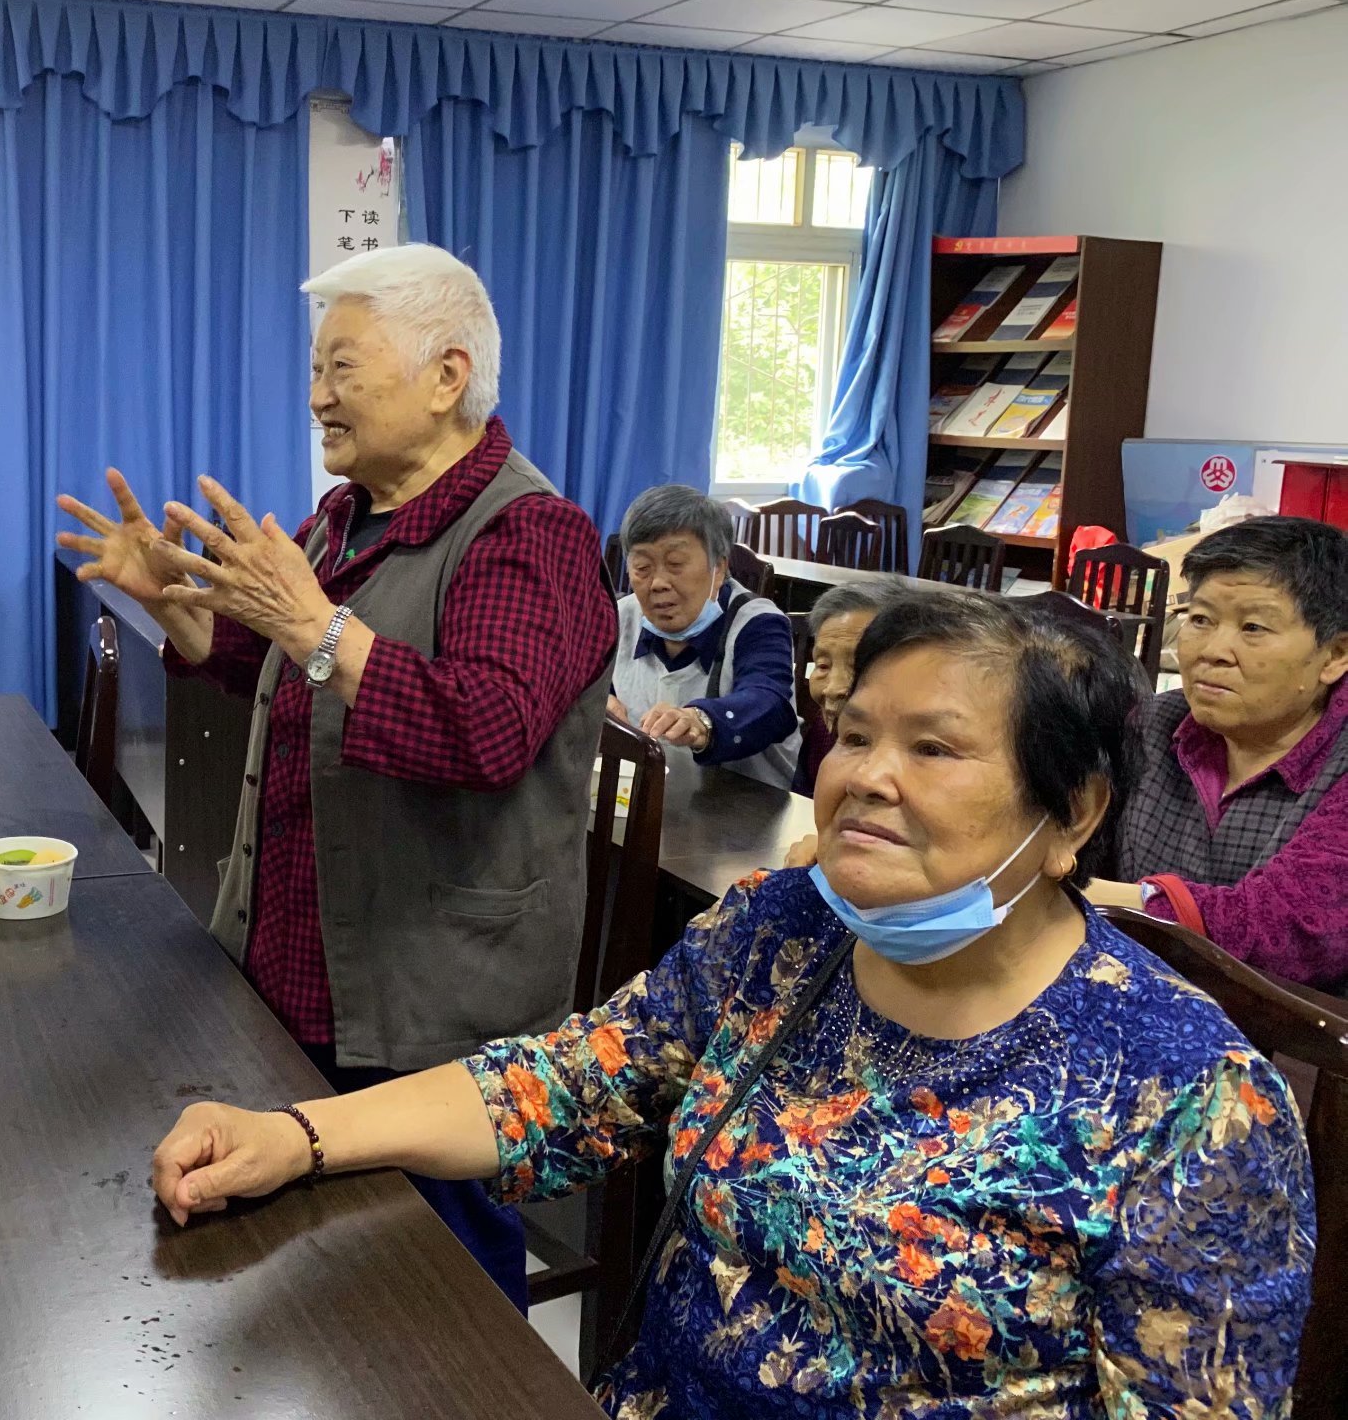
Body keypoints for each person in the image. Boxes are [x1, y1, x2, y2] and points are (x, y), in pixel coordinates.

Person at [152, 591, 1314, 1418]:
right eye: (853, 734)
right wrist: (298, 1135)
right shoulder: (782, 930)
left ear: (1071, 814)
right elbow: (569, 1081)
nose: (864, 775)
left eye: (933, 747)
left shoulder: (1191, 1100)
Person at [58, 243, 616, 1308]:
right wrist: (176, 604)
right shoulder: (345, 515)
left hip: (432, 1008)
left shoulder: (528, 534)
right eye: (315, 370)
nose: (317, 397)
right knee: (322, 1289)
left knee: (434, 1306)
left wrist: (317, 624)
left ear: (447, 375)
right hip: (303, 970)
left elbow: (482, 731)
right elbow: (268, 661)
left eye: (342, 370)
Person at [1093, 515, 1348, 992]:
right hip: (1137, 1007)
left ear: (1334, 655)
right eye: (1201, 619)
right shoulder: (1152, 724)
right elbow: (1064, 833)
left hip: (1300, 1050)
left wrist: (1077, 896)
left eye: (1252, 627)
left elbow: (1292, 931)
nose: (1213, 650)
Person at [611, 485, 798, 788]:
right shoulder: (619, 617)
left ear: (719, 568)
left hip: (747, 811)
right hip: (649, 800)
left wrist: (702, 721)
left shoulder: (757, 623)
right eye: (643, 568)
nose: (657, 583)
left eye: (675, 565)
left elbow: (770, 702)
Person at [792, 577, 910, 796]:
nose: (833, 689)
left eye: (857, 665)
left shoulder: (914, 764)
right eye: (823, 665)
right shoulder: (822, 733)